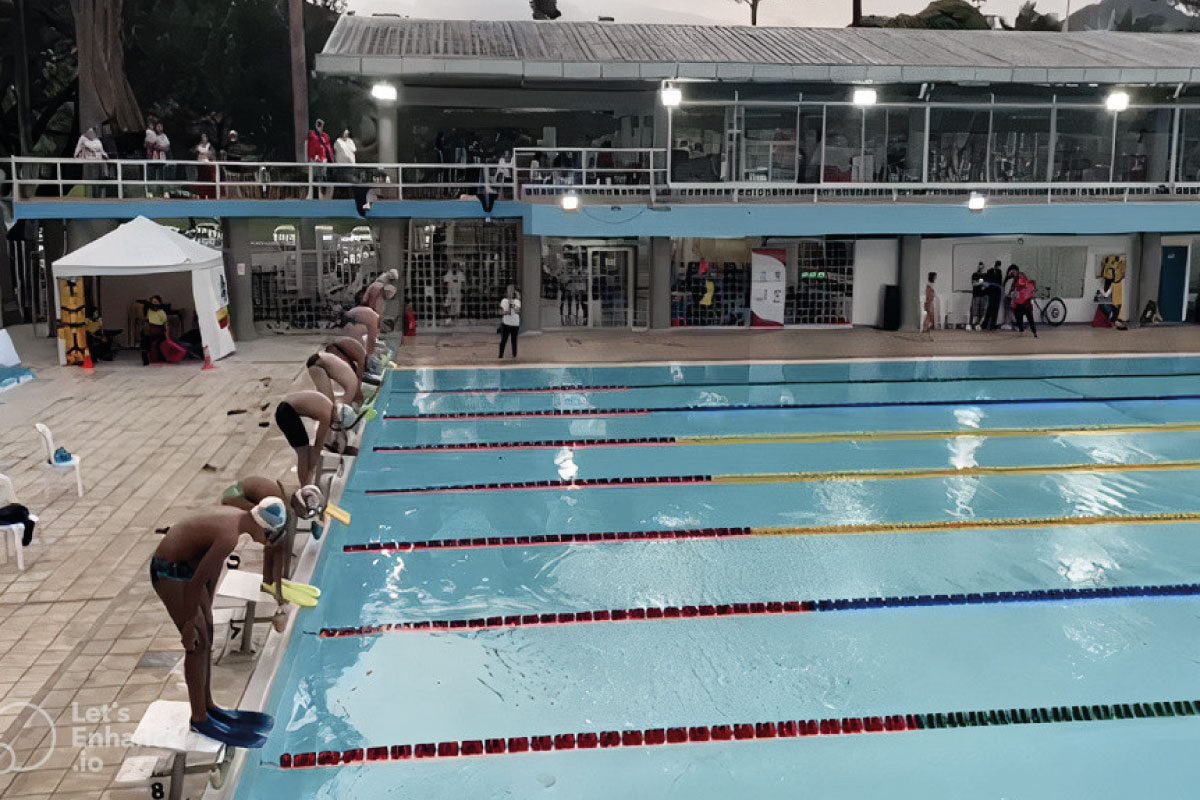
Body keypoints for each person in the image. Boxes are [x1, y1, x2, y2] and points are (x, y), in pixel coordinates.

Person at [149, 499, 286, 746]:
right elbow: (196, 583)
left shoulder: (237, 519)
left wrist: (207, 607)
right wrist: (189, 625)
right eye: (269, 536)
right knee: (197, 643)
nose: (267, 542)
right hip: (168, 572)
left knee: (207, 632)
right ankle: (199, 718)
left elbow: (210, 570)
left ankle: (208, 705)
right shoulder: (228, 536)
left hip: (187, 569)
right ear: (262, 527)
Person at [274, 389, 341, 485]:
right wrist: (311, 469)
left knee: (306, 449)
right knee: (303, 452)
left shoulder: (329, 405)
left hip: (286, 407)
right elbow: (318, 444)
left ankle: (305, 482)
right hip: (286, 412)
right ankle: (305, 487)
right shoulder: (326, 416)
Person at [73, 126, 108, 198]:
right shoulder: (83, 139)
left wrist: (105, 156)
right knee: (90, 184)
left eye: (91, 132)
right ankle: (92, 197)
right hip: (89, 164)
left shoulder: (97, 141)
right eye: (89, 132)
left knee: (97, 182)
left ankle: (98, 198)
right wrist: (76, 156)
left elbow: (102, 151)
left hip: (98, 164)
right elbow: (77, 149)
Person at [306, 119, 334, 199]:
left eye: (320, 124)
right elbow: (312, 144)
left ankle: (322, 195)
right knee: (313, 177)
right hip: (314, 159)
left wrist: (331, 159)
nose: (319, 126)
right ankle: (312, 196)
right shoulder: (312, 135)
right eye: (318, 124)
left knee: (322, 177)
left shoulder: (325, 136)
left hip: (323, 160)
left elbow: (328, 148)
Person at [1011, 271, 1038, 337]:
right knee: (1030, 319)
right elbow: (1032, 291)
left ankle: (1021, 332)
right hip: (1027, 305)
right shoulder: (1029, 283)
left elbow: (1014, 296)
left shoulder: (1016, 284)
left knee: (1019, 320)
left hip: (1018, 305)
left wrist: (1013, 304)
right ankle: (1034, 333)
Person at [499, 285, 521, 358]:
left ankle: (514, 356)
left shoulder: (517, 301)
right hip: (505, 324)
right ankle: (500, 356)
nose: (510, 292)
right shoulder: (504, 301)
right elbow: (502, 312)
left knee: (514, 341)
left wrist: (512, 304)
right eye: (509, 290)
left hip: (515, 325)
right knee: (503, 341)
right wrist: (508, 305)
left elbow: (517, 311)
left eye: (512, 291)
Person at [194, 133, 216, 199]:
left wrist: (208, 155)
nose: (203, 138)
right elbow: (195, 154)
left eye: (204, 137)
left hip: (208, 166)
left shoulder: (210, 146)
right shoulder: (197, 146)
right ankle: (201, 195)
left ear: (207, 138)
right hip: (200, 166)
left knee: (209, 180)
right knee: (201, 180)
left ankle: (210, 195)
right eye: (202, 137)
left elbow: (212, 155)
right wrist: (201, 154)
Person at [983, 260, 1004, 330]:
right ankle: (986, 325)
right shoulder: (991, 271)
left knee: (993, 309)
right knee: (991, 309)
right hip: (992, 292)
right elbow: (987, 281)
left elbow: (999, 283)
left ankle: (990, 325)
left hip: (995, 292)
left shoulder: (998, 272)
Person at [968, 262, 988, 331]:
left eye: (982, 267)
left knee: (982, 310)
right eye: (980, 267)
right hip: (976, 295)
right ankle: (973, 324)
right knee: (975, 310)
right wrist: (980, 283)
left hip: (983, 295)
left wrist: (984, 285)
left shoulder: (985, 275)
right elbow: (973, 284)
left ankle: (979, 324)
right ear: (978, 267)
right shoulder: (975, 274)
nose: (981, 268)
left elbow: (987, 285)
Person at [1000, 265, 1020, 330]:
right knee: (1007, 311)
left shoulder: (1017, 279)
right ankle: (1007, 323)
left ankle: (1017, 324)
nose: (1013, 272)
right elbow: (1005, 288)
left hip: (1014, 297)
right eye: (1012, 271)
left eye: (1015, 271)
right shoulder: (1008, 279)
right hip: (1007, 297)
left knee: (1014, 311)